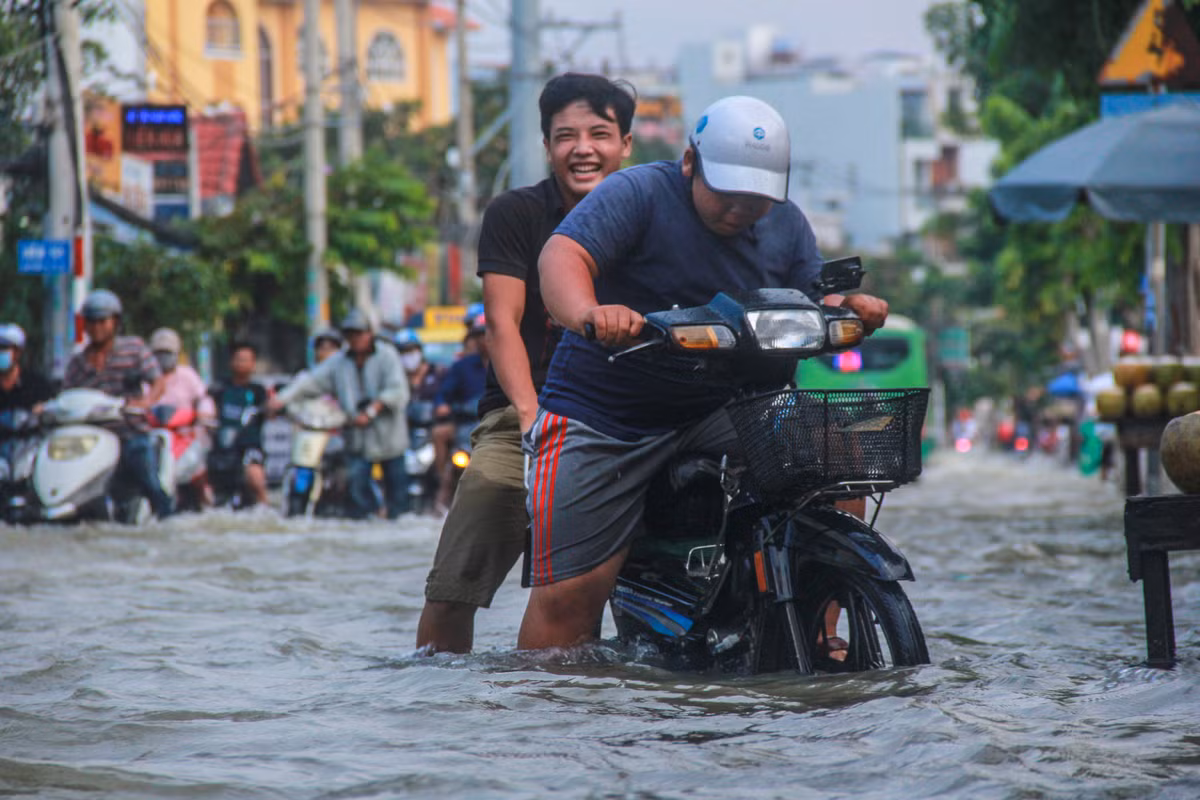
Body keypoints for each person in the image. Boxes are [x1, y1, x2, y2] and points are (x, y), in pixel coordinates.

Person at [519, 95, 889, 650]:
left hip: (732, 405)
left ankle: (822, 632)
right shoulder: (637, 193)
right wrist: (590, 313)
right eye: (728, 193)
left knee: (835, 456)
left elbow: (814, 292)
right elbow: (563, 257)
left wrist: (850, 307)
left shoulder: (786, 223)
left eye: (756, 198)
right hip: (611, 414)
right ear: (690, 163)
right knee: (571, 597)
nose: (741, 209)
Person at [416, 72, 636, 653]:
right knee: (452, 587)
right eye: (566, 136)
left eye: (600, 134)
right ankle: (437, 696)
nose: (584, 148)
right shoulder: (516, 214)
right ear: (547, 147)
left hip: (630, 422)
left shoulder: (656, 213)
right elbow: (502, 324)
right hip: (525, 423)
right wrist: (531, 415)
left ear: (626, 144)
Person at [271, 309, 410, 519]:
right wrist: (281, 399)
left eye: (359, 333)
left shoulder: (387, 356)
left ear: (369, 333)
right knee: (356, 496)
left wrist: (372, 410)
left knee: (398, 503)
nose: (355, 339)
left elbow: (398, 391)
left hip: (389, 437)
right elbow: (310, 382)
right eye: (350, 334)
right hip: (357, 439)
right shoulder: (339, 362)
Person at [63, 289, 174, 518]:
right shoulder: (77, 362)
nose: (96, 327)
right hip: (90, 438)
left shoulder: (133, 349)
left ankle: (165, 516)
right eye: (91, 321)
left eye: (102, 321)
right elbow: (67, 398)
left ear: (115, 322)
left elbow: (158, 382)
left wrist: (145, 402)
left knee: (147, 477)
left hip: (129, 432)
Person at [429, 314, 490, 510]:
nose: (483, 339)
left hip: (499, 424)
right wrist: (442, 405)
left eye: (486, 333)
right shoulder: (461, 367)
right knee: (440, 434)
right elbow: (443, 394)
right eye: (478, 335)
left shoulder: (512, 360)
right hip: (466, 425)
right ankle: (442, 488)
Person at [207, 342, 270, 506]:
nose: (241, 363)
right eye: (238, 359)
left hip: (250, 446)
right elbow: (205, 408)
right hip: (221, 447)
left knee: (255, 477)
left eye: (246, 360)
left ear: (253, 364)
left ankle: (266, 507)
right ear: (231, 362)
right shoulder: (219, 387)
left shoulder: (258, 391)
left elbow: (270, 411)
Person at [0, 323, 54, 414]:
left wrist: (42, 409)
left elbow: (52, 407)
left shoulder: (36, 385)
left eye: (3, 348)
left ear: (18, 352)